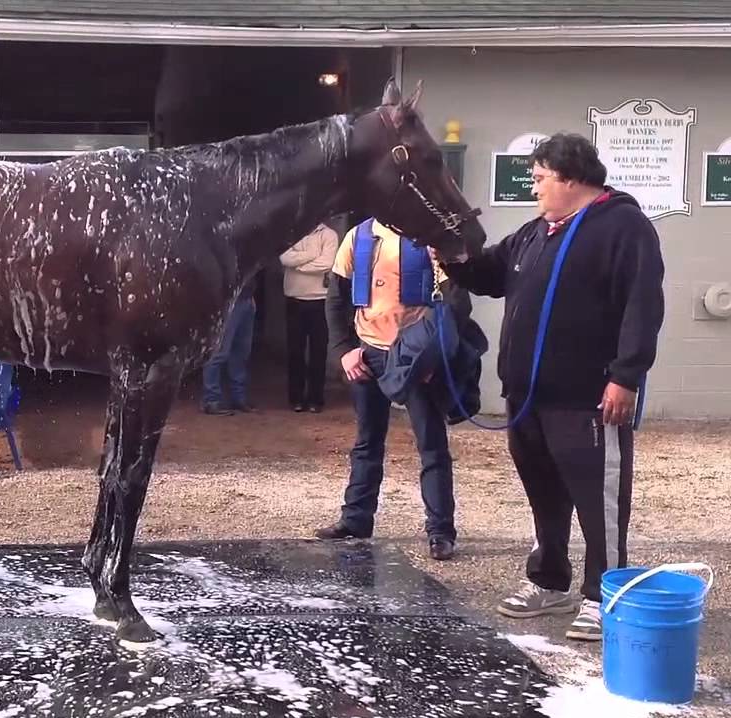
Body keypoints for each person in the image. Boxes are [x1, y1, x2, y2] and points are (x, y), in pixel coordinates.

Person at [440, 133, 664, 641]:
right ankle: (550, 580)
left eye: (539, 177)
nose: (534, 186)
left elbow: (642, 305)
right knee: (544, 493)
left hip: (587, 396)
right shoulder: (536, 231)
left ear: (570, 177)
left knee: (598, 499)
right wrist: (451, 255)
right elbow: (490, 275)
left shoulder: (623, 226)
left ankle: (603, 593)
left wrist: (625, 376)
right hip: (528, 397)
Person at [316, 217, 459, 561]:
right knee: (367, 441)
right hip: (367, 353)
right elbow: (336, 298)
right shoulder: (358, 237)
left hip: (412, 354)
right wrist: (343, 351)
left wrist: (431, 356)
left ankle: (440, 531)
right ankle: (356, 520)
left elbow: (454, 302)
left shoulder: (430, 237)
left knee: (431, 443)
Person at [280, 221, 340, 413]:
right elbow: (284, 258)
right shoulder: (290, 230)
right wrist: (313, 255)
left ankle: (316, 399)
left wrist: (298, 264)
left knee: (318, 351)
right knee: (295, 351)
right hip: (294, 299)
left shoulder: (329, 235)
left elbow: (327, 263)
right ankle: (296, 399)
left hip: (320, 300)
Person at [201, 282, 257, 415]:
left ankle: (238, 398)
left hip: (245, 297)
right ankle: (211, 400)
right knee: (219, 352)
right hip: (226, 300)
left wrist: (250, 296)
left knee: (241, 352)